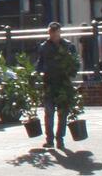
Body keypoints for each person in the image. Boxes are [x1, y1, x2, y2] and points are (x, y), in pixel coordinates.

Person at [34, 22, 81, 150]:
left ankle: (60, 139)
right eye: (51, 32)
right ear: (49, 33)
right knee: (49, 112)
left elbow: (75, 63)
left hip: (63, 84)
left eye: (56, 32)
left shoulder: (68, 46)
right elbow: (40, 62)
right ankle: (49, 140)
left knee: (63, 113)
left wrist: (71, 71)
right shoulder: (44, 47)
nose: (54, 34)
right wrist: (35, 74)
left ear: (59, 32)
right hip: (49, 82)